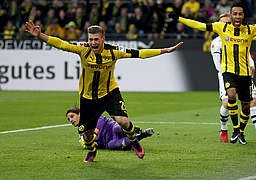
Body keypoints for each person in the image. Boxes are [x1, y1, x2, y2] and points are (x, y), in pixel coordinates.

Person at [25, 20, 183, 162]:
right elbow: (61, 44)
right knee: (87, 135)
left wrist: (164, 51)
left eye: (96, 39)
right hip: (88, 99)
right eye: (90, 39)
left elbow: (140, 54)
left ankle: (134, 142)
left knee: (123, 121)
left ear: (103, 39)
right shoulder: (83, 50)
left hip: (109, 93)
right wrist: (40, 35)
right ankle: (92, 151)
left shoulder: (114, 51)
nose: (93, 42)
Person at [169, 0, 256, 145]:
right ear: (231, 15)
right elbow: (200, 25)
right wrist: (179, 18)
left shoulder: (251, 29)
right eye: (234, 14)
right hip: (228, 72)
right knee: (231, 95)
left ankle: (240, 131)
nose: (237, 16)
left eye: (240, 14)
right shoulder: (222, 28)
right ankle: (234, 129)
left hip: (245, 74)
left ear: (243, 15)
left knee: (247, 105)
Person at [210, 14, 256, 143]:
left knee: (253, 101)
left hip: (243, 73)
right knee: (227, 103)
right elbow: (218, 65)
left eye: (228, 22)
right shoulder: (216, 43)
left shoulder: (240, 36)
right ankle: (224, 129)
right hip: (227, 74)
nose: (227, 25)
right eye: (223, 23)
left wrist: (251, 65)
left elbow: (246, 54)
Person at [66, 107, 154, 150]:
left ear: (79, 114)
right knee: (112, 146)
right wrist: (94, 144)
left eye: (72, 116)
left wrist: (95, 133)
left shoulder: (90, 117)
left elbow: (100, 120)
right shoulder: (81, 134)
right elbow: (87, 144)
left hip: (112, 128)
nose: (70, 120)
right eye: (68, 119)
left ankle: (132, 129)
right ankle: (142, 135)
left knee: (117, 129)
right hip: (109, 141)